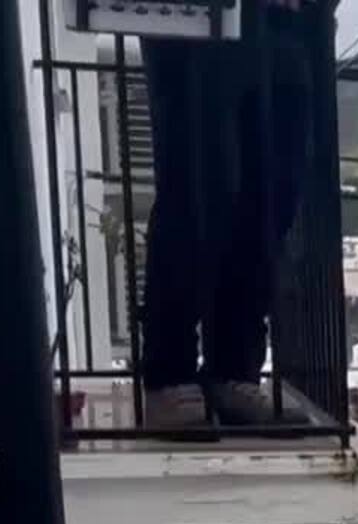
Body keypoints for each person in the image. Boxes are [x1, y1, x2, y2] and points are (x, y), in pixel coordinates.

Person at [139, 0, 318, 428]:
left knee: (271, 199)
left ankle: (233, 372)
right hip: (193, 21)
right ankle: (169, 374)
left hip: (284, 28)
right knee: (199, 189)